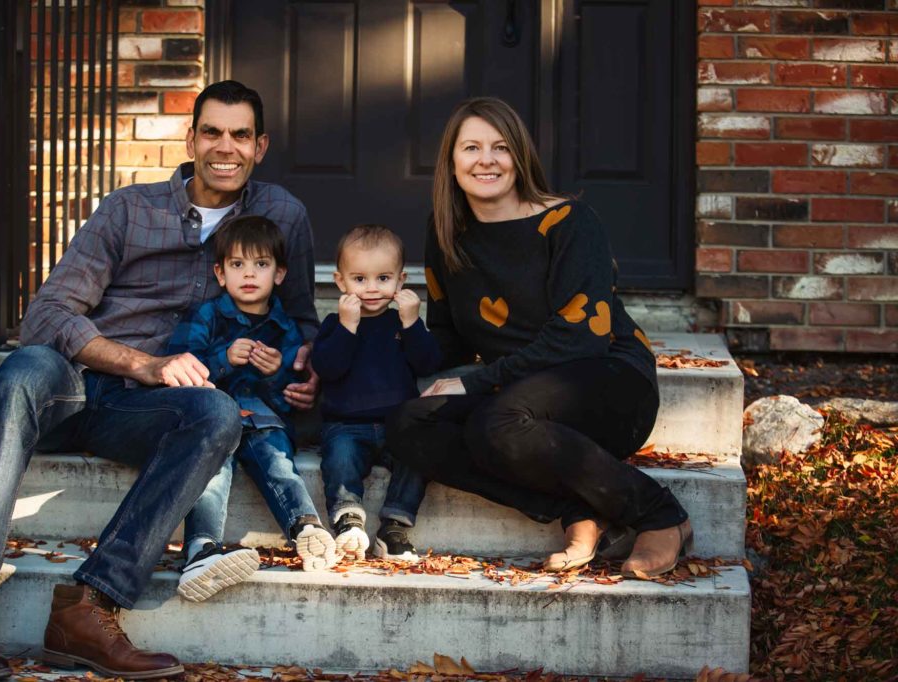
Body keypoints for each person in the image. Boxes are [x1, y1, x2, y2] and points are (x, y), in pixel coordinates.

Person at [0, 80, 319, 681]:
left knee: (217, 413)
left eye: (240, 135)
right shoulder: (128, 208)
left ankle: (89, 608)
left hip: (154, 413)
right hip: (79, 384)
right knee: (20, 372)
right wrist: (142, 363)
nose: (225, 147)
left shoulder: (282, 215)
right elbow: (49, 313)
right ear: (190, 139)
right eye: (212, 132)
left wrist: (305, 369)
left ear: (260, 145)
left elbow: (299, 320)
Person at [386, 97, 693, 579]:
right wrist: (378, 342)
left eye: (501, 147)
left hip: (610, 382)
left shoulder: (570, 223)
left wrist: (474, 383)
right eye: (471, 147)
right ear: (450, 160)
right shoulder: (447, 232)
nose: (485, 160)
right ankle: (578, 508)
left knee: (497, 421)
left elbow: (579, 340)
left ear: (521, 157)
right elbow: (449, 337)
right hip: (519, 397)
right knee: (410, 423)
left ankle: (659, 514)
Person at [169, 216, 337, 603]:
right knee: (211, 471)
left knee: (278, 462)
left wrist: (277, 371)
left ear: (279, 274)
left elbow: (290, 396)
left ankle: (306, 527)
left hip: (261, 418)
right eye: (237, 265)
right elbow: (182, 366)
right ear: (220, 272)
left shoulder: (285, 329)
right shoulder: (207, 315)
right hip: (213, 418)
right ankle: (202, 548)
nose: (249, 274)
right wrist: (223, 358)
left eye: (261, 265)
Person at [312, 225, 441, 561]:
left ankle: (393, 528)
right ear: (340, 282)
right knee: (340, 458)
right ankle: (349, 519)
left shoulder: (403, 323)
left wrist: (413, 323)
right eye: (359, 279)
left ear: (401, 281)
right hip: (346, 424)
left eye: (383, 278)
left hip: (397, 423)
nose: (371, 289)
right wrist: (347, 327)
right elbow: (328, 368)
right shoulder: (334, 323)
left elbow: (427, 363)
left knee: (419, 453)